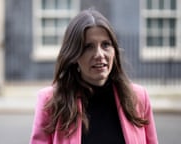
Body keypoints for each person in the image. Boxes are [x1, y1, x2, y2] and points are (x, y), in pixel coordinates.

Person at [30, 9, 158, 144]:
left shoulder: (138, 97)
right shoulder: (50, 101)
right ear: (74, 55)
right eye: (88, 47)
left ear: (114, 51)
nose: (99, 54)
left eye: (106, 45)